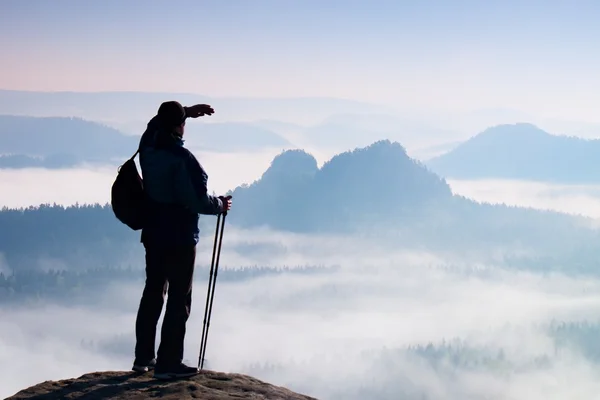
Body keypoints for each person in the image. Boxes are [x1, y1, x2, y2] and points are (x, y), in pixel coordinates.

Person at [132, 100, 232, 379]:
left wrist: (185, 111)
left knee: (153, 292)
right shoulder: (183, 159)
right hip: (179, 237)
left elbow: (154, 125)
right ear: (179, 127)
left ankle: (143, 358)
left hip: (153, 233)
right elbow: (197, 200)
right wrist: (220, 205)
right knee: (179, 298)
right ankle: (168, 363)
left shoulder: (148, 146)